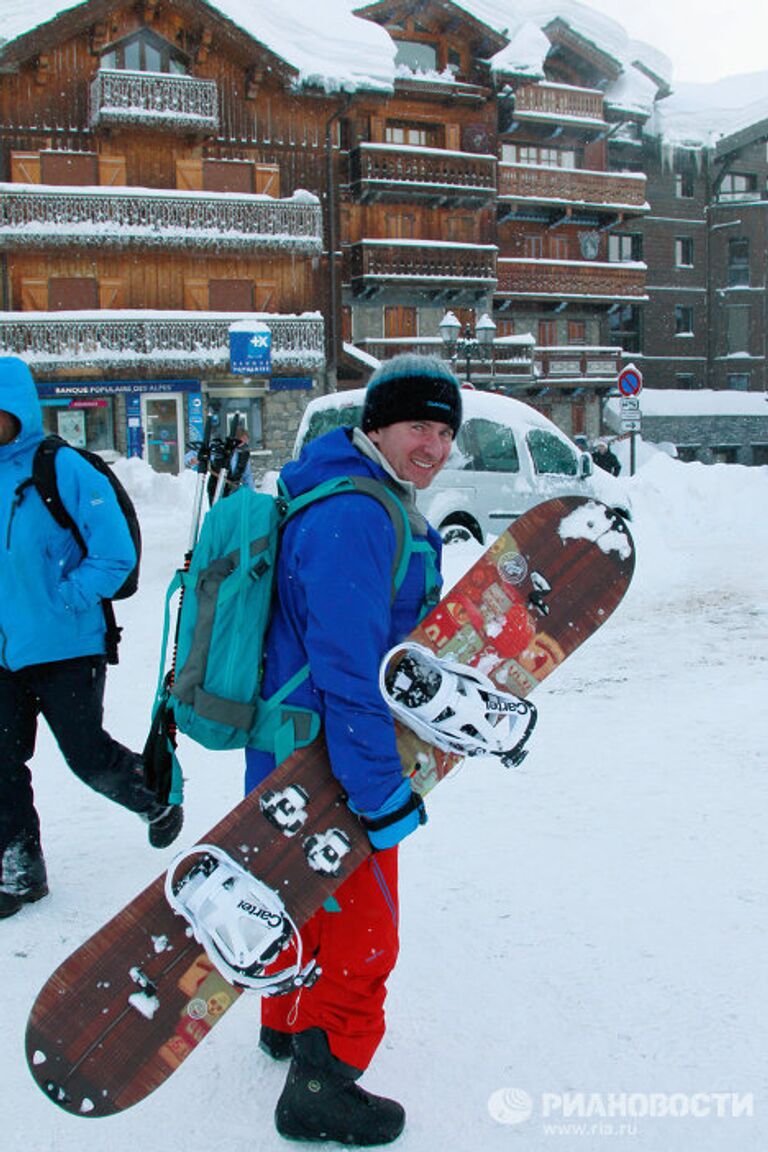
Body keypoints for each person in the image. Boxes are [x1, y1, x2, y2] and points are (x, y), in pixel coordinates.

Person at [245, 354, 462, 1146]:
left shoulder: (346, 493)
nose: (433, 446)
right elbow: (351, 669)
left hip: (291, 748)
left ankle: (284, 1023)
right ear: (377, 426)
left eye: (444, 430)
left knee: (297, 897)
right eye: (417, 426)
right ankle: (323, 1084)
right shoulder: (356, 514)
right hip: (333, 760)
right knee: (366, 928)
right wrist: (378, 795)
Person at [0, 357, 183, 920]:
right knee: (1, 765)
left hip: (67, 649)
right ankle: (18, 870)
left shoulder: (61, 467)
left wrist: (66, 599)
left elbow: (115, 554)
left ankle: (154, 799)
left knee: (85, 754)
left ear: (17, 409)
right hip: (4, 654)